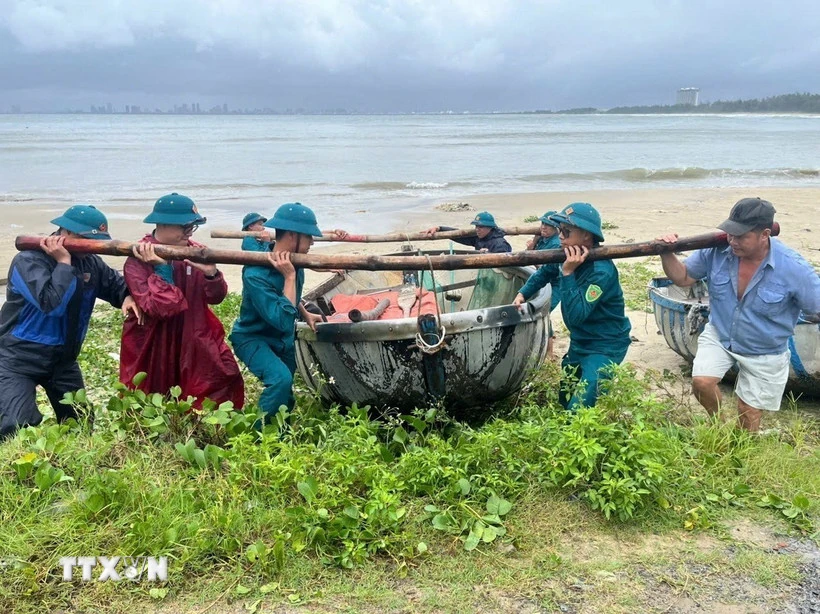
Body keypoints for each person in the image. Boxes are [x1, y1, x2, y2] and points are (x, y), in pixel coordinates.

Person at [657, 197, 820, 431]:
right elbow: (683, 278)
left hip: (764, 349)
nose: (732, 240)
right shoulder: (717, 250)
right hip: (721, 335)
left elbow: (817, 308)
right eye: (730, 233)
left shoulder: (794, 268)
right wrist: (667, 252)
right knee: (702, 383)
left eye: (741, 235)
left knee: (748, 413)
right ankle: (719, 427)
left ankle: (740, 452)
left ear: (764, 234)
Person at [0, 205, 141, 439]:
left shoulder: (91, 263)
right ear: (65, 233)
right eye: (85, 239)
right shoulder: (27, 262)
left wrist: (126, 295)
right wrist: (64, 263)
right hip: (17, 359)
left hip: (63, 360)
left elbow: (115, 285)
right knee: (17, 425)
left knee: (81, 423)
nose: (90, 246)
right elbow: (52, 304)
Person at [119, 193, 245, 408]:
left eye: (192, 227)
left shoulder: (195, 251)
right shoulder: (137, 260)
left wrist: (211, 275)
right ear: (162, 224)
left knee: (222, 377)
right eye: (184, 227)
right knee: (151, 390)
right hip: (154, 337)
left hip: (194, 330)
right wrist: (162, 269)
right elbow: (161, 308)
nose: (189, 232)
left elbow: (216, 297)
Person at [513, 203, 631, 410]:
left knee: (579, 406)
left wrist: (568, 274)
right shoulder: (564, 255)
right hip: (580, 341)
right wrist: (523, 293)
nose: (561, 237)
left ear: (586, 235)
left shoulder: (601, 271)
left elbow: (575, 316)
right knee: (565, 398)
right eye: (560, 231)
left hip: (606, 344)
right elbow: (544, 273)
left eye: (566, 232)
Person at [230, 203, 326, 426]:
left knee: (286, 390)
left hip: (281, 340)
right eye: (309, 237)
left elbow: (287, 299)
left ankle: (281, 436)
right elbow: (283, 320)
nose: (312, 242)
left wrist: (304, 312)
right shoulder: (255, 274)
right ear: (292, 235)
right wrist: (290, 278)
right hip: (253, 337)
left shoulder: (293, 261)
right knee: (279, 381)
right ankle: (257, 439)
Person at [520, 211, 563, 357]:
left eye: (548, 225)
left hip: (555, 284)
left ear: (556, 228)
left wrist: (536, 262)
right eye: (543, 223)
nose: (544, 227)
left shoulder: (556, 243)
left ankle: (550, 352)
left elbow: (548, 269)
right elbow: (529, 257)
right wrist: (531, 246)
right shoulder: (541, 240)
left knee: (544, 312)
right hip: (541, 281)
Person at [425, 211, 512, 253]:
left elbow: (505, 265)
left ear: (490, 228)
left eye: (481, 227)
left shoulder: (500, 244)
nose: (477, 229)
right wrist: (439, 228)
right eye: (476, 226)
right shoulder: (479, 238)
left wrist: (489, 254)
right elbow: (459, 235)